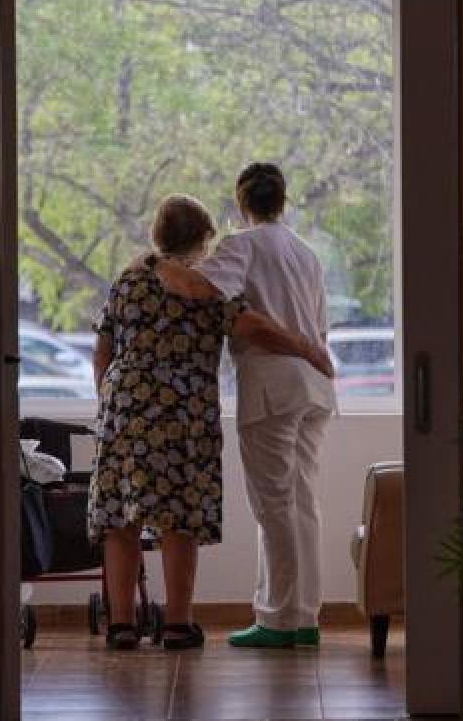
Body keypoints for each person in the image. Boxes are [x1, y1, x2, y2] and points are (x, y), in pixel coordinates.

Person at [90, 194, 332, 651]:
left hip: (123, 409)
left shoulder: (127, 279)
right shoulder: (205, 288)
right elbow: (256, 328)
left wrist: (110, 401)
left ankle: (122, 625)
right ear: (203, 239)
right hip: (182, 414)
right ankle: (178, 624)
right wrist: (310, 350)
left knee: (120, 521)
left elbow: (102, 349)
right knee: (178, 518)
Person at [196, 163, 337, 649]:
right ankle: (303, 617)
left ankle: (278, 620)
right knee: (301, 502)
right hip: (315, 387)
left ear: (242, 203)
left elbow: (206, 290)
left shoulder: (242, 245)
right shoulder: (305, 252)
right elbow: (319, 325)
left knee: (275, 504)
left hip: (273, 386)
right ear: (282, 200)